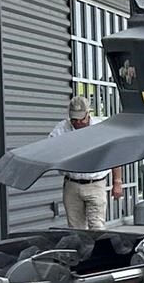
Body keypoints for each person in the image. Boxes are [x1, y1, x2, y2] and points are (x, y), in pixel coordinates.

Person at [51, 94, 121, 230]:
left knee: (97, 227)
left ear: (88, 114)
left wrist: (117, 182)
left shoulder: (102, 127)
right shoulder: (61, 129)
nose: (77, 123)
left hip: (95, 184)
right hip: (72, 184)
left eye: (81, 119)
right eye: (74, 119)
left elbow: (115, 154)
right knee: (76, 229)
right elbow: (49, 149)